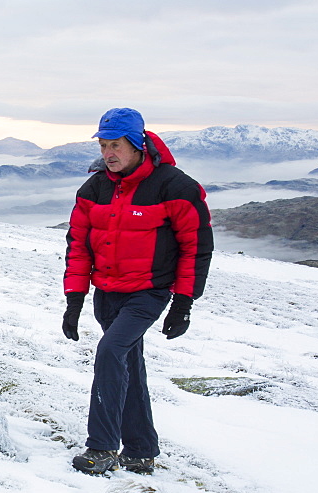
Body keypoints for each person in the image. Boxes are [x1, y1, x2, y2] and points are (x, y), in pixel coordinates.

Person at [62, 108, 213, 474]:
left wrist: (183, 304)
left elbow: (196, 246)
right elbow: (79, 245)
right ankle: (141, 449)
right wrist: (74, 301)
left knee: (111, 353)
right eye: (103, 144)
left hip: (148, 292)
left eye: (115, 145)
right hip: (107, 293)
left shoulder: (174, 186)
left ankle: (101, 448)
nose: (108, 153)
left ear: (137, 144)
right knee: (128, 364)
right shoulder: (94, 187)